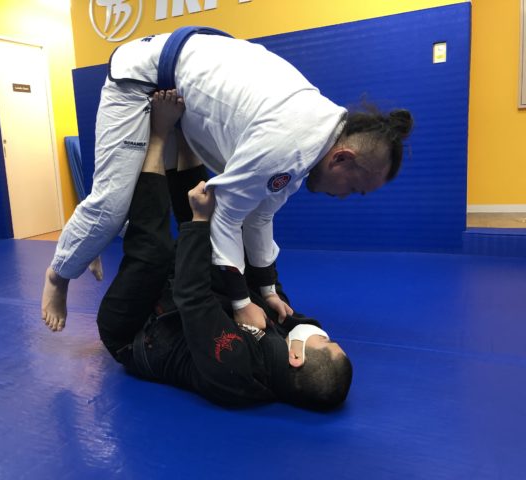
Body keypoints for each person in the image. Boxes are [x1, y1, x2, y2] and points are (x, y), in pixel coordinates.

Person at [41, 28, 413, 332]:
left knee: (129, 199)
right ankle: (59, 274)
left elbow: (260, 215)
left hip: (184, 80)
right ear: (342, 158)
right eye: (354, 189)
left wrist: (266, 289)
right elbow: (225, 216)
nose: (346, 196)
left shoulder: (318, 136)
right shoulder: (291, 144)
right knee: (111, 206)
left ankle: (90, 237)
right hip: (140, 76)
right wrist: (241, 302)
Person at [96, 90, 352, 409]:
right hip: (172, 308)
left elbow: (192, 297)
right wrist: (267, 288)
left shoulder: (234, 366)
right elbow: (270, 294)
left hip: (133, 329)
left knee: (155, 253)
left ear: (296, 357)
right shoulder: (284, 355)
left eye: (326, 341)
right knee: (228, 251)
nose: (323, 333)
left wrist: (199, 221)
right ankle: (185, 138)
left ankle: (159, 136)